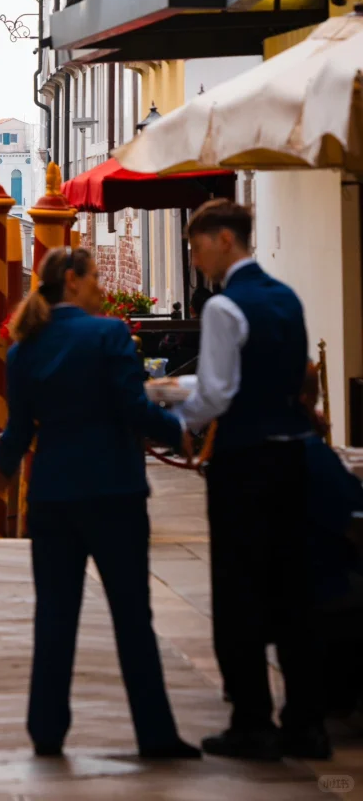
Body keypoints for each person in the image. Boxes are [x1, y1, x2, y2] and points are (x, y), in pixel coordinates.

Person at [0, 246, 199, 761]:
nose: (102, 288)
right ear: (73, 282)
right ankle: (154, 735)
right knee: (132, 617)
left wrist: (3, 469)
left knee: (55, 617)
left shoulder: (24, 347)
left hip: (54, 497)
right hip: (114, 493)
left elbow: (18, 429)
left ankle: (47, 730)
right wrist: (180, 433)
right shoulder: (107, 333)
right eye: (95, 279)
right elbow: (133, 407)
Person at [175, 198, 327, 760]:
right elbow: (298, 374)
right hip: (293, 458)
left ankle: (252, 720)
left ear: (222, 240)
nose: (194, 258)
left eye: (195, 246)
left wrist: (175, 425)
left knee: (239, 591)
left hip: (244, 463)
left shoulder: (224, 308)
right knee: (293, 589)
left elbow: (214, 393)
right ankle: (307, 721)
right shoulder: (285, 297)